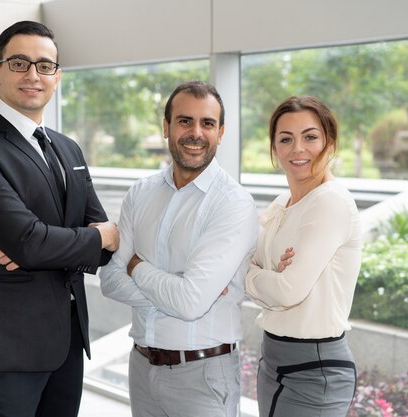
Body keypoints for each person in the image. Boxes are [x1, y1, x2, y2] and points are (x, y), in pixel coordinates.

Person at [0, 21, 119, 417]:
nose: (33, 75)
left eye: (45, 65)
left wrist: (50, 244)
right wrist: (93, 236)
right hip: (4, 346)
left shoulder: (67, 148)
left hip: (67, 342)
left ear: (57, 76)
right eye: (20, 63)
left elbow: (102, 248)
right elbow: (30, 241)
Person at [99, 80, 259, 417]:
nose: (196, 133)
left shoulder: (233, 203)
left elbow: (189, 302)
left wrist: (137, 266)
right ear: (166, 127)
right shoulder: (140, 193)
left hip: (203, 375)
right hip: (141, 367)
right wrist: (179, 292)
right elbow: (110, 281)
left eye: (208, 123)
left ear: (221, 132)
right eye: (185, 121)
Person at [245, 96, 362, 417]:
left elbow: (287, 291)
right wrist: (267, 276)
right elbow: (259, 270)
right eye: (286, 139)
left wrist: (252, 275)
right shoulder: (283, 202)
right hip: (273, 358)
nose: (298, 148)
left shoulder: (330, 202)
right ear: (274, 148)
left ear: (330, 142)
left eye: (310, 137)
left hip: (315, 369)